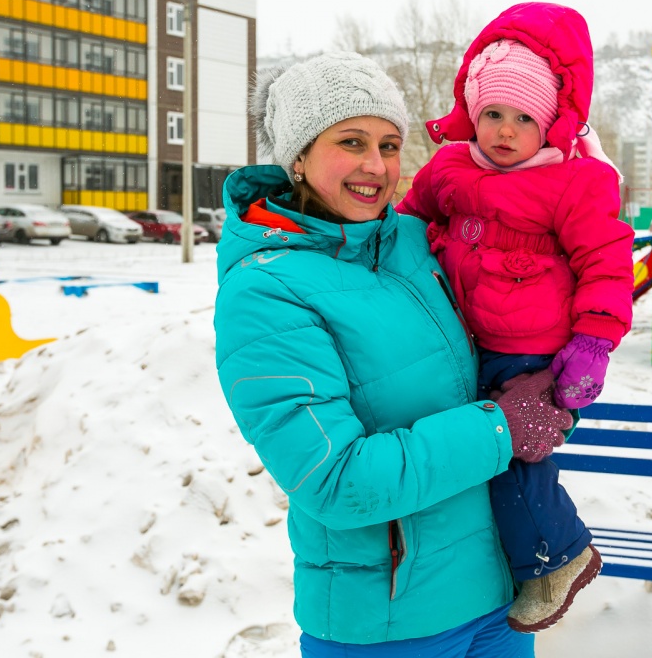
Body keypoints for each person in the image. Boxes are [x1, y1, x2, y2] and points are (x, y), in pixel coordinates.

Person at [214, 52, 575, 657]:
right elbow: (334, 479)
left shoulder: (414, 239)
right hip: (389, 626)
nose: (375, 166)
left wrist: (557, 374)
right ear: (297, 156)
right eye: (350, 141)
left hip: (496, 599)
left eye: (388, 145)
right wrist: (502, 429)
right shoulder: (264, 292)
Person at [398, 2, 636, 632]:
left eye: (524, 117)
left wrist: (594, 342)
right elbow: (404, 225)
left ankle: (559, 556)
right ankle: (505, 561)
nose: (505, 130)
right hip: (465, 341)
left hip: (537, 350)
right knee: (470, 454)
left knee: (510, 454)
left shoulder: (575, 183)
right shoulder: (449, 168)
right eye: (493, 114)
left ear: (552, 123)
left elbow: (607, 262)